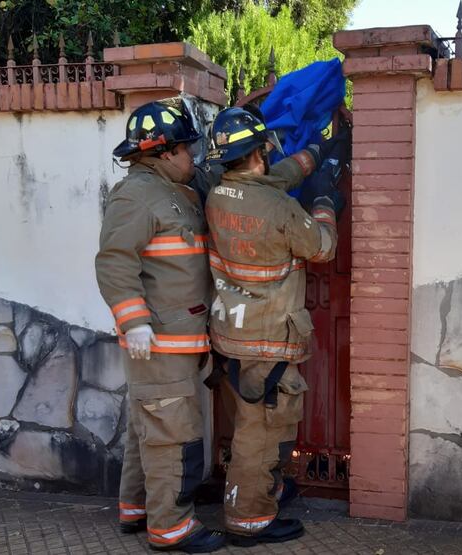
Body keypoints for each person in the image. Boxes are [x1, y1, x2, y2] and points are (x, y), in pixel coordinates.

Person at [204, 105, 347, 547]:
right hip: (268, 341)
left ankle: (262, 493)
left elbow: (270, 183)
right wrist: (324, 201)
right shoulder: (281, 210)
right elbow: (321, 247)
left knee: (250, 426)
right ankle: (250, 520)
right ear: (258, 154)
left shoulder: (217, 194)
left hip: (230, 337)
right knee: (261, 433)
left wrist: (315, 152)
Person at [95, 100, 227, 553]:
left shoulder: (176, 189)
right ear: (164, 151)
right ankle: (171, 528)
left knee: (146, 426)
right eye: (188, 149)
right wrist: (133, 322)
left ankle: (136, 509)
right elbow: (115, 261)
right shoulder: (136, 194)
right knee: (172, 434)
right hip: (159, 341)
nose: (194, 156)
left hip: (177, 339)